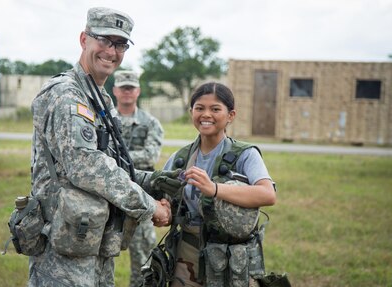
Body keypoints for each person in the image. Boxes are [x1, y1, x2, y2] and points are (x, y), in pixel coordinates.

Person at [29, 7, 176, 287]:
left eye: (120, 44)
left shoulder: (101, 100)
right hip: (61, 247)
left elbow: (113, 163)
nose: (111, 51)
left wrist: (153, 181)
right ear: (84, 39)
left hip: (91, 239)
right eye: (104, 40)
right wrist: (149, 206)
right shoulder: (66, 94)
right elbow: (86, 166)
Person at [157, 82, 277, 287]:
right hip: (187, 255)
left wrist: (215, 189)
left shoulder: (245, 154)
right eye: (199, 108)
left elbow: (268, 195)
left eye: (215, 109)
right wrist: (164, 212)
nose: (206, 115)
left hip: (231, 258)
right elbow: (163, 200)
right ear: (191, 112)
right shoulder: (181, 158)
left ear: (231, 115)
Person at [113, 70, 164, 287]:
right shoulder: (105, 119)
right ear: (115, 90)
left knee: (144, 259)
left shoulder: (150, 123)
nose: (127, 92)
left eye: (131, 88)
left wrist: (114, 158)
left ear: (138, 91)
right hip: (108, 196)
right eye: (123, 88)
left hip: (139, 196)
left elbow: (151, 155)